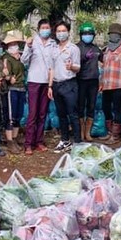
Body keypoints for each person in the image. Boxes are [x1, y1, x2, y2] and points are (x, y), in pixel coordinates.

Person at [21, 19, 56, 155]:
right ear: (38, 29)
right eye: (43, 28)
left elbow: (53, 64)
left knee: (42, 114)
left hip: (47, 82)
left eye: (47, 28)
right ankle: (28, 143)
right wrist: (28, 46)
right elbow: (24, 60)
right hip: (34, 81)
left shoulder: (53, 44)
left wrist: (51, 84)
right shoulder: (32, 42)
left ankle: (39, 141)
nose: (45, 30)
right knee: (32, 114)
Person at [50, 22, 81, 153]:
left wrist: (71, 67)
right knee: (61, 114)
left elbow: (78, 67)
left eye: (63, 31)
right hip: (56, 84)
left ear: (68, 32)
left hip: (69, 84)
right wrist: (50, 86)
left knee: (73, 114)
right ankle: (65, 140)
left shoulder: (73, 48)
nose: (61, 33)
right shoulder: (54, 49)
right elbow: (51, 68)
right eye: (58, 31)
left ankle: (78, 143)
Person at [100, 22, 121, 144]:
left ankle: (116, 135)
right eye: (111, 34)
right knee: (105, 107)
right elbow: (104, 66)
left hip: (119, 83)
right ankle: (109, 132)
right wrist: (101, 82)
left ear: (120, 35)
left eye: (115, 34)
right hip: (107, 83)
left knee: (117, 108)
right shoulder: (107, 48)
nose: (113, 36)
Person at [76, 22, 101, 142]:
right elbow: (73, 62)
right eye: (85, 34)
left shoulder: (96, 48)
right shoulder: (76, 48)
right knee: (80, 106)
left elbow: (104, 59)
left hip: (93, 81)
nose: (88, 36)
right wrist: (84, 57)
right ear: (81, 35)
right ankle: (81, 132)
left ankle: (87, 132)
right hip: (81, 80)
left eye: (90, 34)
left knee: (91, 106)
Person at [3, 30, 27, 152]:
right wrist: (9, 78)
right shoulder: (6, 58)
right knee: (11, 116)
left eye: (15, 44)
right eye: (11, 45)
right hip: (12, 89)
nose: (14, 46)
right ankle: (9, 141)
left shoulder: (20, 57)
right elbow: (5, 73)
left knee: (18, 114)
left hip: (21, 88)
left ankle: (15, 137)